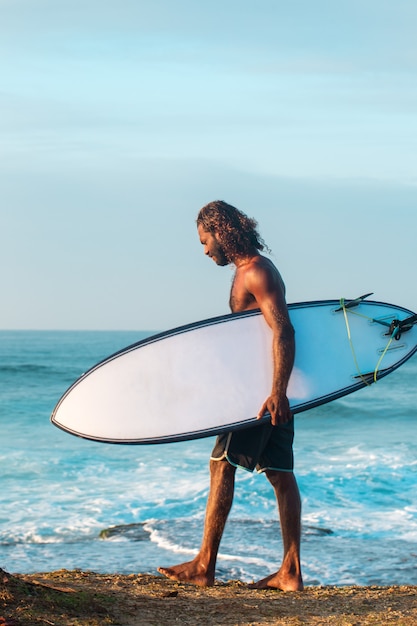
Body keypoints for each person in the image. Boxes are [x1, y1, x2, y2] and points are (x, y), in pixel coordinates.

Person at [158, 200, 303, 591]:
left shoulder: (256, 272)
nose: (204, 250)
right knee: (280, 474)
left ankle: (204, 565)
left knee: (221, 464)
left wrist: (276, 392)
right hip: (272, 389)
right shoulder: (249, 271)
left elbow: (284, 331)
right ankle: (290, 571)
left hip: (260, 393)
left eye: (205, 240)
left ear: (220, 231)